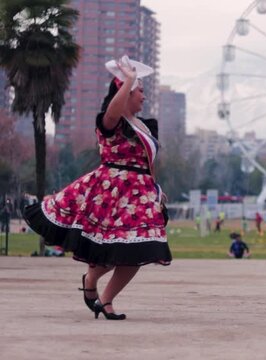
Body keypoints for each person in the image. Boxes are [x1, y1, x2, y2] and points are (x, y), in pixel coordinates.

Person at [22, 56, 172, 320]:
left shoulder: (148, 126)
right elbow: (115, 111)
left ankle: (105, 299)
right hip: (111, 192)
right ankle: (91, 280)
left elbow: (151, 162)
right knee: (113, 248)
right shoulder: (109, 121)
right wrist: (128, 80)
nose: (144, 97)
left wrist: (157, 189)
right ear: (125, 93)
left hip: (140, 194)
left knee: (138, 250)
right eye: (140, 91)